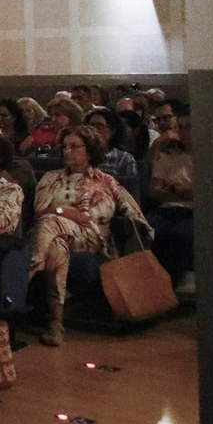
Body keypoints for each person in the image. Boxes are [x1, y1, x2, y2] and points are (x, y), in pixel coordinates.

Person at [29, 125, 153, 345]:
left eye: (74, 146)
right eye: (65, 146)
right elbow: (40, 209)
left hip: (91, 238)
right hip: (55, 235)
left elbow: (130, 211)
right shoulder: (51, 178)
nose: (67, 151)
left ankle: (31, 268)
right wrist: (66, 212)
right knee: (56, 247)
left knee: (50, 224)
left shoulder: (106, 181)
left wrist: (145, 232)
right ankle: (56, 323)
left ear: (90, 150)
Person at [146, 104, 194, 293]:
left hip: (192, 209)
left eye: (188, 126)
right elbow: (154, 191)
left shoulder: (205, 158)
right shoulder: (167, 159)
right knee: (149, 229)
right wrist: (178, 189)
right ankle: (154, 280)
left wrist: (171, 187)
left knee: (180, 233)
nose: (183, 131)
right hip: (167, 208)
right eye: (179, 127)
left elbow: (197, 193)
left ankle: (182, 276)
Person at [85, 106, 139, 177]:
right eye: (90, 125)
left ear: (113, 131)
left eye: (99, 126)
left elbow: (131, 183)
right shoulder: (82, 155)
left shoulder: (123, 159)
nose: (93, 129)